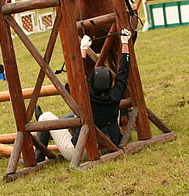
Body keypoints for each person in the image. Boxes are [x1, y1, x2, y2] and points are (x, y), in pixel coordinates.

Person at [33, 29, 132, 162]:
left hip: (79, 151)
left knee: (46, 117)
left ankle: (38, 156)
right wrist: (125, 43)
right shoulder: (115, 94)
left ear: (92, 83)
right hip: (108, 144)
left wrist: (83, 48)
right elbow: (123, 73)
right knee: (73, 115)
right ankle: (51, 125)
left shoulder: (87, 96)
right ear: (110, 83)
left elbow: (79, 74)